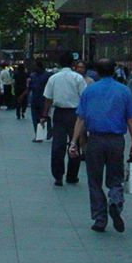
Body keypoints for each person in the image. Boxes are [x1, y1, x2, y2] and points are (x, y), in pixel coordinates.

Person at [69, 58, 132, 233]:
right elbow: (131, 119)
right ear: (114, 70)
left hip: (95, 139)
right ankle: (115, 201)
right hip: (116, 140)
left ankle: (100, 218)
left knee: (94, 180)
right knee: (115, 177)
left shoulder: (89, 91)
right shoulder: (123, 91)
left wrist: (73, 142)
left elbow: (81, 118)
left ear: (97, 72)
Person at [42, 52, 85, 186]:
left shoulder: (54, 78)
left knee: (58, 145)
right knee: (74, 143)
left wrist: (44, 115)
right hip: (75, 114)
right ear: (73, 63)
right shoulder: (78, 78)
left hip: (59, 113)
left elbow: (48, 98)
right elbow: (84, 97)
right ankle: (72, 176)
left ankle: (58, 175)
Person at [28, 59, 51, 141]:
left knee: (45, 116)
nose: (33, 68)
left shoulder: (47, 75)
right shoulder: (32, 75)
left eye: (34, 66)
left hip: (44, 99)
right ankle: (38, 135)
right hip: (34, 99)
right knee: (35, 118)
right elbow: (29, 87)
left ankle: (49, 131)